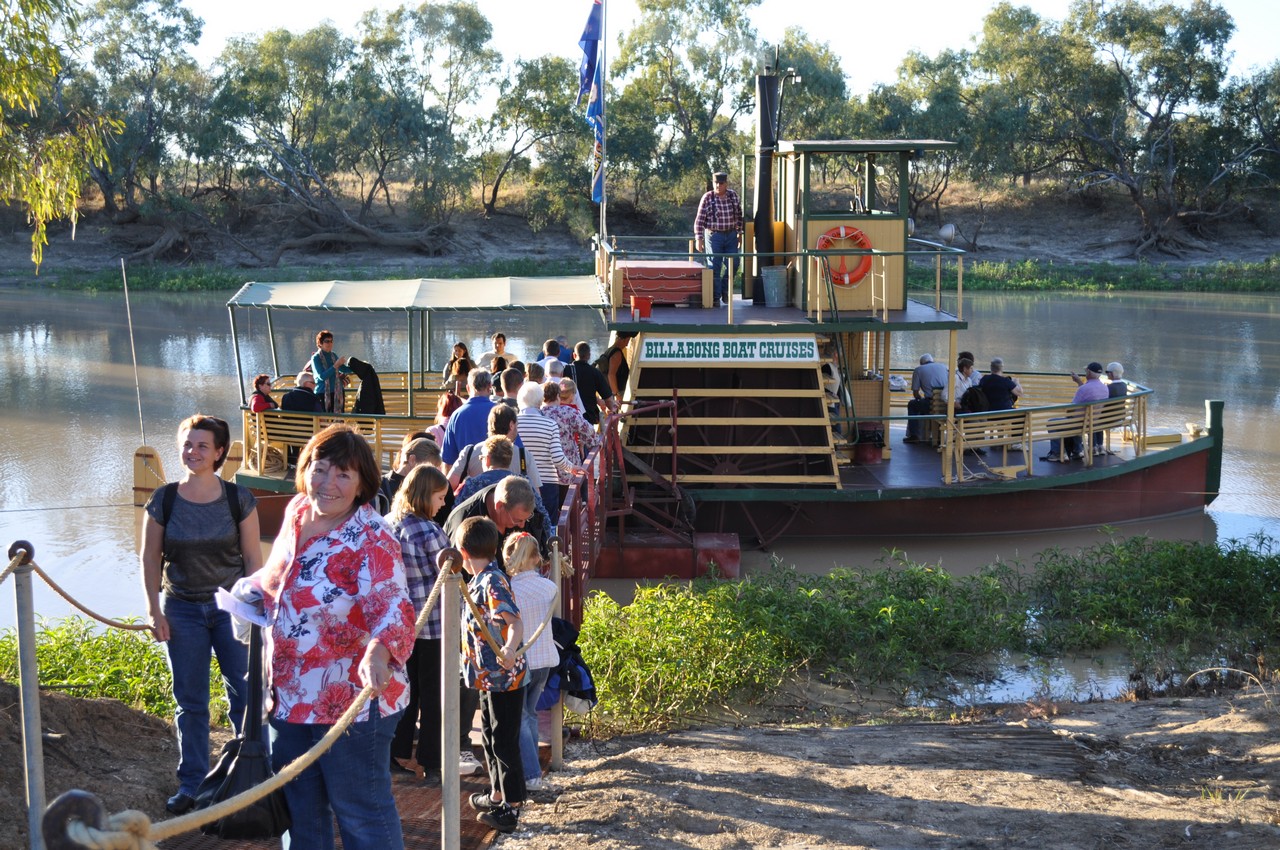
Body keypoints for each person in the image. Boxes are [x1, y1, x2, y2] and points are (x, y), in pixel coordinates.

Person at [246, 424, 416, 850]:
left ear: (362, 484)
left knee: (361, 815)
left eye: (343, 474)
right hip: (289, 696)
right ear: (305, 470)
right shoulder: (296, 512)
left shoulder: (373, 536)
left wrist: (378, 653)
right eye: (319, 469)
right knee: (301, 815)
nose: (328, 483)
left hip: (353, 701)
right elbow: (280, 577)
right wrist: (250, 592)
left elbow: (394, 608)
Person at [140, 415, 261, 815]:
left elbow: (252, 559)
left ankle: (245, 778)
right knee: (190, 702)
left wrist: (255, 611)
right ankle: (191, 783)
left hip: (231, 608)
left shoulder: (238, 499)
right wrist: (153, 610)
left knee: (244, 693)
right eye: (187, 444)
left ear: (219, 452)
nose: (192, 452)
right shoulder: (164, 499)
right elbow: (150, 558)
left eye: (202, 446)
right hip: (182, 609)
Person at [455, 516, 527, 835]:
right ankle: (498, 792)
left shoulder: (492, 581)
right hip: (487, 677)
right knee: (488, 735)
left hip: (504, 677)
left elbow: (514, 622)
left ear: (463, 552)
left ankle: (512, 805)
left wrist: (509, 648)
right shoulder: (476, 580)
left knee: (503, 740)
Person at [387, 464, 451, 786]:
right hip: (433, 625)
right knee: (434, 695)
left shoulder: (390, 523)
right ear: (426, 496)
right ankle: (432, 761)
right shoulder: (429, 531)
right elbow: (449, 572)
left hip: (400, 624)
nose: (443, 504)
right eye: (439, 497)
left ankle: (396, 752)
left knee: (404, 691)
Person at [504, 532, 557, 792]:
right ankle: (533, 769)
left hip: (521, 659)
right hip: (544, 660)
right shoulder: (549, 588)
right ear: (537, 558)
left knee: (521, 717)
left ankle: (531, 774)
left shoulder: (509, 590)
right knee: (531, 714)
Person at [517, 381, 582, 513]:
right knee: (548, 520)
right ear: (540, 400)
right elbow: (557, 458)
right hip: (546, 481)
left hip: (520, 480)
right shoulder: (550, 424)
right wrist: (572, 468)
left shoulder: (514, 424)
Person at [542, 379, 599, 504]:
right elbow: (588, 430)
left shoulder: (539, 413)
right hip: (567, 466)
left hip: (545, 470)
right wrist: (594, 442)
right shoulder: (568, 412)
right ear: (557, 395)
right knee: (568, 504)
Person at [693, 170, 744, 306]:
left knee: (734, 263)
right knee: (714, 265)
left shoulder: (733, 196)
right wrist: (698, 238)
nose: (718, 186)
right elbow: (699, 219)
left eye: (721, 183)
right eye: (716, 183)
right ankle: (715, 297)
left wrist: (740, 234)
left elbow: (739, 216)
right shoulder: (707, 197)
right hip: (713, 235)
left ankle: (725, 290)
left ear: (726, 184)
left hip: (731, 234)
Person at [1051, 362, 1109, 461]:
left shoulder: (1083, 389)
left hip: (1081, 423)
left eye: (1086, 371)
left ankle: (1057, 453)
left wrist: (1069, 414)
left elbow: (1071, 408)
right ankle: (1077, 451)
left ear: (1089, 372)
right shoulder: (1105, 388)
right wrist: (1079, 381)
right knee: (1076, 418)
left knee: (1052, 422)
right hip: (1093, 422)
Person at [441, 368, 495, 465]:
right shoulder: (501, 412)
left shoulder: (456, 415)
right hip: (498, 472)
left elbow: (448, 460)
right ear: (489, 386)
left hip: (465, 473)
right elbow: (517, 450)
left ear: (468, 388)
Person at [378, 437, 441, 513]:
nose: (432, 474)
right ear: (412, 460)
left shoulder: (431, 487)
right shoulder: (379, 486)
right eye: (427, 469)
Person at [564, 341, 617, 427]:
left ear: (574, 355)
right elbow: (608, 398)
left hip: (569, 417)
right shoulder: (595, 372)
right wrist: (612, 410)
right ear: (589, 356)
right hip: (588, 418)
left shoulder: (566, 370)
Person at [905, 354, 948, 443]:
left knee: (912, 404)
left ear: (922, 363)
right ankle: (934, 433)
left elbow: (916, 393)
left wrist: (919, 398)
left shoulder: (918, 370)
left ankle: (914, 435)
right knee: (923, 405)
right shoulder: (943, 367)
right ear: (932, 361)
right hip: (945, 404)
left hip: (931, 404)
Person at [310, 329, 353, 413]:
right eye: (327, 341)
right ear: (320, 343)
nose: (330, 343)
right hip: (322, 393)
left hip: (337, 392)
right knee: (324, 418)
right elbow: (322, 376)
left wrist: (358, 367)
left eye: (331, 341)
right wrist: (335, 365)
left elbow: (343, 369)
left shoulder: (333, 355)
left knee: (339, 418)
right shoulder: (316, 358)